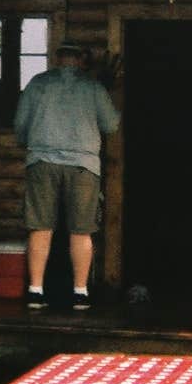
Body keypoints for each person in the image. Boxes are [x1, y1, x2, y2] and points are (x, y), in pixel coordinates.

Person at [13, 41, 119, 310]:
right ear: (81, 59)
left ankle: (35, 290)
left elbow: (20, 127)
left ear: (57, 58)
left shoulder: (38, 83)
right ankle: (80, 292)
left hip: (41, 161)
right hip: (83, 164)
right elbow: (111, 124)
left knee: (40, 227)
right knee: (81, 230)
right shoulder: (93, 87)